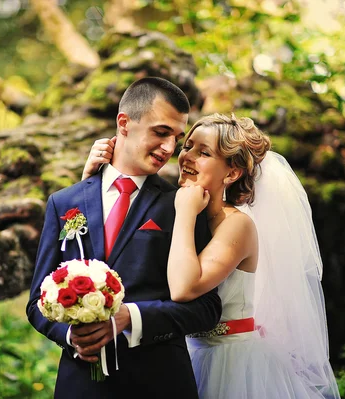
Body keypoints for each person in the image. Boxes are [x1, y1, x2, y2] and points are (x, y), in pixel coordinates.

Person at [84, 113, 340, 398]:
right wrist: (92, 180)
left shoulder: (237, 225)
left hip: (232, 362)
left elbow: (184, 288)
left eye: (203, 152)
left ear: (231, 173)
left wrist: (184, 213)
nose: (186, 157)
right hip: (178, 355)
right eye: (187, 147)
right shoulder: (172, 210)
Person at [26, 77, 222, 399]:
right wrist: (71, 335)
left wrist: (131, 317)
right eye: (160, 132)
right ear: (124, 123)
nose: (170, 149)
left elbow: (207, 309)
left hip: (161, 383)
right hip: (81, 386)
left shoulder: (183, 205)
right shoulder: (64, 203)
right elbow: (36, 303)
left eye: (176, 137)